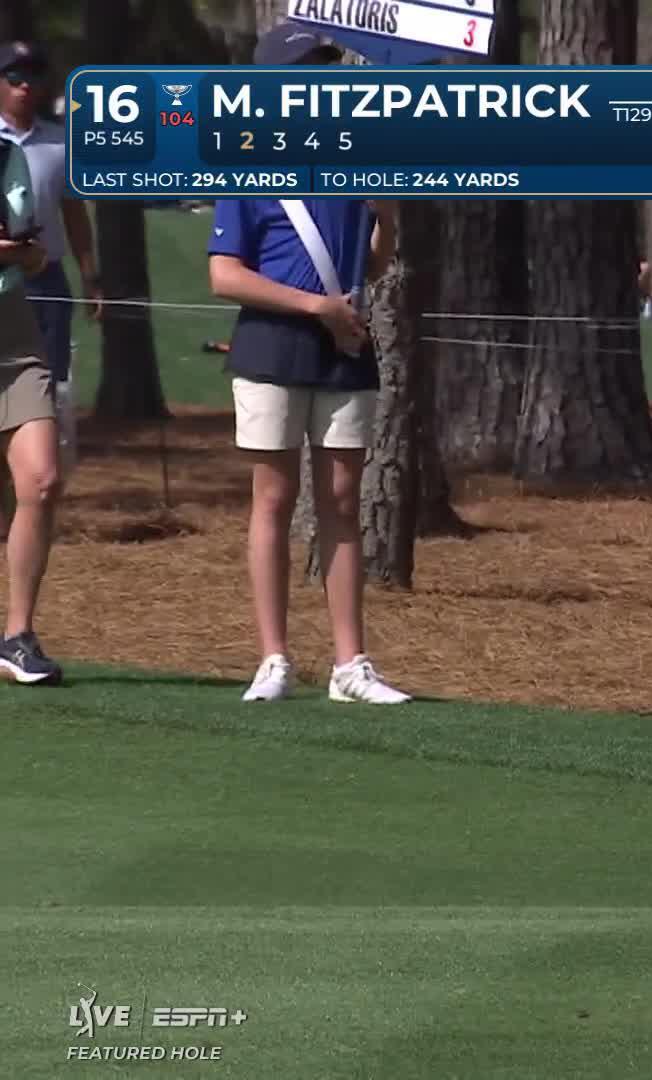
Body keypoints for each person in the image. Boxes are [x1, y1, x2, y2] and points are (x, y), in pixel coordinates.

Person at [206, 22, 410, 704]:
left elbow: (371, 265)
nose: (320, 79)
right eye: (307, 70)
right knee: (273, 498)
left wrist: (388, 216)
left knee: (344, 502)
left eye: (325, 67)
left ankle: (351, 665)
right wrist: (312, 305)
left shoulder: (354, 157)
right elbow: (225, 275)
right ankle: (274, 659)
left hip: (343, 347)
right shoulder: (248, 163)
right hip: (271, 345)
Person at [1, 41, 102, 471]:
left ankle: (44, 474)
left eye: (33, 76)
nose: (25, 85)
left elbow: (74, 215)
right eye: (14, 76)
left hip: (46, 281)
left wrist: (90, 278)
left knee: (51, 381)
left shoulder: (60, 142)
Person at [0, 123, 63, 684]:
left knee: (41, 481)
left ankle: (17, 637)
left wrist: (26, 253)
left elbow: (38, 257)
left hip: (13, 333)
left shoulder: (8, 156)